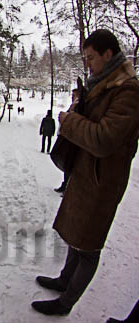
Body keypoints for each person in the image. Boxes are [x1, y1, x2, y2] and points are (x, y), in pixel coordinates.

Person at [31, 29, 139, 316]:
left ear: (108, 54)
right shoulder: (103, 84)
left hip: (103, 181)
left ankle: (66, 304)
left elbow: (103, 139)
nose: (88, 63)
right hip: (87, 174)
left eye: (91, 57)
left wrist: (69, 121)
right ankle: (65, 281)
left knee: (88, 246)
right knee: (76, 235)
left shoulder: (128, 91)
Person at [54, 88, 81, 193]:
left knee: (70, 165)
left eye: (74, 95)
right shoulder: (73, 105)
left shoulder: (79, 106)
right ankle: (65, 185)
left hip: (73, 141)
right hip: (67, 137)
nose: (72, 97)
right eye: (72, 95)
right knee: (66, 165)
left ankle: (68, 188)